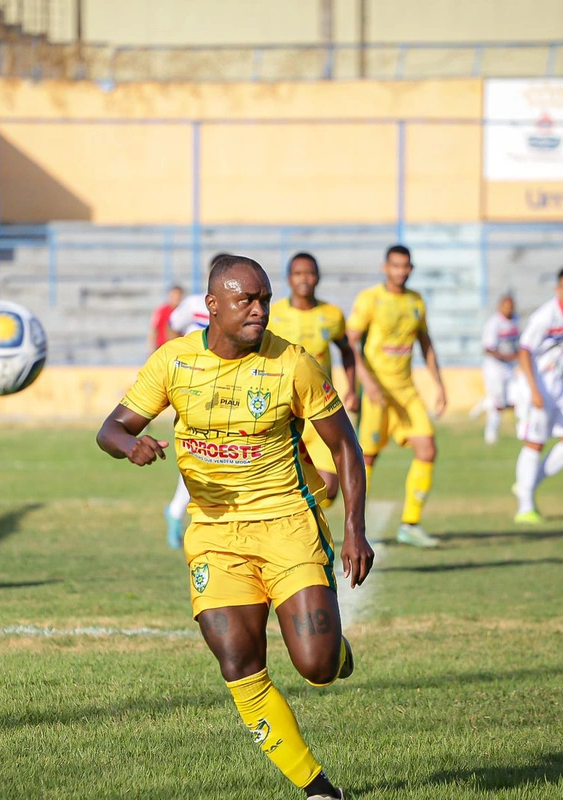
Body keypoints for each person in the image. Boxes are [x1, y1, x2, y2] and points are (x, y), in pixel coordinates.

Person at [97, 255, 372, 800]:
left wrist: (355, 530)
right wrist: (132, 445)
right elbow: (112, 427)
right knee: (238, 662)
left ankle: (335, 652)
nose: (259, 310)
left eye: (264, 298)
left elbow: (345, 446)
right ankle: (318, 789)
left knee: (315, 666)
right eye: (246, 299)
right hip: (215, 535)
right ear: (212, 306)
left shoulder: (293, 363)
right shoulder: (173, 362)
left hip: (287, 524)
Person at [346, 244, 446, 548]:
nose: (400, 271)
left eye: (405, 266)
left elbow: (425, 343)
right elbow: (351, 343)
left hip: (406, 391)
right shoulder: (370, 299)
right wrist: (365, 381)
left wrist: (439, 384)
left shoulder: (416, 302)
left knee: (427, 449)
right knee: (367, 458)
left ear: (411, 269)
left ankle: (410, 524)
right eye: (395, 266)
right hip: (377, 392)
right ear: (385, 267)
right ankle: (355, 527)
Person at [267, 252, 358, 505]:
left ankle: (299, 519)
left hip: (319, 408)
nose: (303, 279)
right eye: (298, 273)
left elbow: (347, 352)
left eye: (309, 273)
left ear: (317, 277)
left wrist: (352, 389)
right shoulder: (273, 315)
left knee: (329, 488)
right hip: (282, 410)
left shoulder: (332, 314)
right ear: (288, 278)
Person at [511, 266, 563, 524]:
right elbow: (524, 351)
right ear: (558, 290)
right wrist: (534, 391)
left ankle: (527, 484)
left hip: (560, 384)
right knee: (535, 443)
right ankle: (524, 506)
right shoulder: (545, 316)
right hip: (535, 384)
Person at [162, 254, 231, 548]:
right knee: (199, 448)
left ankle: (179, 512)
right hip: (192, 385)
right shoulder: (192, 304)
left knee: (209, 450)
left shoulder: (234, 308)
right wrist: (173, 360)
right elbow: (171, 327)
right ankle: (181, 513)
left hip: (223, 387)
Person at [471, 294, 520, 445]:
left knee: (516, 401)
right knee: (498, 404)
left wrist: (517, 355)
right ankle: (491, 434)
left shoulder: (515, 320)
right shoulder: (494, 323)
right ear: (500, 307)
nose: (509, 309)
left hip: (510, 367)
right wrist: (507, 356)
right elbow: (488, 348)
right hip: (494, 368)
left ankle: (484, 404)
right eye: (506, 305)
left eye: (511, 305)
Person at [148, 285, 184, 354]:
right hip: (162, 348)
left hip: (177, 350)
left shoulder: (183, 312)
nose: (176, 298)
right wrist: (151, 349)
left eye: (178, 295)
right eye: (174, 295)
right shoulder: (161, 311)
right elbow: (154, 329)